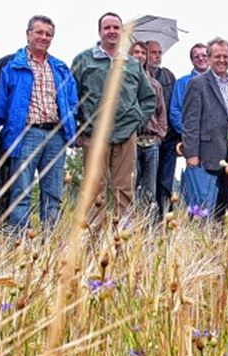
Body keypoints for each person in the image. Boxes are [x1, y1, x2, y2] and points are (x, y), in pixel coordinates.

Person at [0, 15, 78, 230]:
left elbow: (72, 100)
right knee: (21, 190)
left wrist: (70, 126)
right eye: (39, 32)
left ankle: (51, 243)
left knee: (53, 193)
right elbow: (0, 104)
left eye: (48, 34)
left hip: (56, 136)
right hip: (26, 134)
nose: (44, 37)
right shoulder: (13, 66)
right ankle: (19, 242)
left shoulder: (60, 68)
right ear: (28, 33)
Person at [71, 12, 157, 215]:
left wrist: (137, 120)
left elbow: (148, 98)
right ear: (99, 32)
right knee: (94, 189)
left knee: (124, 189)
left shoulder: (133, 64)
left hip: (126, 136)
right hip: (93, 135)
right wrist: (77, 128)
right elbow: (70, 97)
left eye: (116, 28)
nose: (112, 32)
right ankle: (94, 242)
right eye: (107, 28)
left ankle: (122, 241)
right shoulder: (84, 60)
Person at [181, 37, 228, 217]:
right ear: (209, 58)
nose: (222, 60)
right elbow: (190, 122)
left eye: (226, 56)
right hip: (208, 154)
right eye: (218, 56)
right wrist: (191, 154)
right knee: (206, 208)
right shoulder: (197, 84)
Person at [162, 43, 207, 210]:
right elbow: (174, 111)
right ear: (192, 61)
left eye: (204, 55)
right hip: (192, 142)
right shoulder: (182, 83)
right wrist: (188, 134)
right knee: (194, 182)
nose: (201, 58)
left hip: (215, 143)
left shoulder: (219, 82)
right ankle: (195, 218)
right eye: (197, 56)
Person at [130, 40, 168, 209]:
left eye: (143, 53)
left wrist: (160, 134)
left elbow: (162, 112)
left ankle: (146, 225)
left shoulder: (155, 84)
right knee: (131, 183)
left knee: (149, 186)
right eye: (136, 52)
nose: (140, 56)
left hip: (151, 139)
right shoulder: (125, 82)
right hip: (131, 139)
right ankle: (128, 223)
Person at [146, 40, 179, 214]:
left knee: (166, 181)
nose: (157, 56)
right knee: (147, 182)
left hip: (168, 138)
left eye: (159, 52)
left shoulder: (168, 76)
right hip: (147, 137)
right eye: (153, 52)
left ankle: (166, 219)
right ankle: (147, 220)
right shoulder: (138, 75)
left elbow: (173, 106)